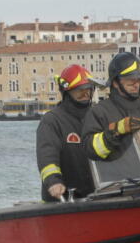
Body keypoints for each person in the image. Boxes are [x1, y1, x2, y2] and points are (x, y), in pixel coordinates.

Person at [35, 64, 97, 202]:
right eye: (80, 91)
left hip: (96, 197)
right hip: (62, 202)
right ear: (66, 92)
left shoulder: (97, 117)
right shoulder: (51, 121)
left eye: (89, 90)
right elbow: (47, 155)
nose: (86, 94)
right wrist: (53, 182)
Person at [83, 52, 140, 162]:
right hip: (116, 177)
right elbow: (90, 150)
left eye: (139, 79)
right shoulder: (99, 112)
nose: (137, 84)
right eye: (131, 80)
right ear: (115, 82)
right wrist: (116, 130)